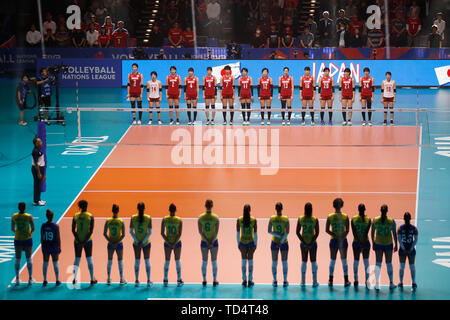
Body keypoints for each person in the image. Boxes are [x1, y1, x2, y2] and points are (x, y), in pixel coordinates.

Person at [371, 204, 398, 290]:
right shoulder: (391, 221)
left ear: (380, 210)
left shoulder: (375, 220)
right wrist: (396, 244)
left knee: (378, 263)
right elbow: (394, 234)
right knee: (389, 263)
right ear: (387, 211)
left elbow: (372, 233)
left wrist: (373, 243)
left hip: (378, 243)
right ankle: (391, 283)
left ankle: (377, 284)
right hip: (388, 244)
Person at [325, 198, 351, 287]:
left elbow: (327, 230)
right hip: (343, 241)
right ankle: (346, 280)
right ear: (342, 205)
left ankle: (330, 280)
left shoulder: (330, 216)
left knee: (332, 260)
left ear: (334, 205)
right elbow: (347, 230)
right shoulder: (345, 216)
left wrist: (335, 236)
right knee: (344, 260)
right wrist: (341, 237)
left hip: (333, 240)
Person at [72, 200, 97, 285]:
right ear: (86, 206)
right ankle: (92, 279)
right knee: (89, 259)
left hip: (77, 241)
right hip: (88, 241)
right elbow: (91, 231)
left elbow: (73, 230)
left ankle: (74, 279)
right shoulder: (90, 216)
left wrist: (79, 240)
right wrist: (85, 240)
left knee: (77, 259)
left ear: (80, 206)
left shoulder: (75, 216)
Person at [296, 202, 319, 287]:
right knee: (313, 261)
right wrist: (311, 242)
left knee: (304, 261)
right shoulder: (315, 219)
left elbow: (297, 232)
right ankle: (314, 282)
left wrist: (304, 242)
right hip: (313, 244)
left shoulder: (300, 219)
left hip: (303, 244)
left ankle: (302, 282)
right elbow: (317, 233)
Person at [12, 202, 35, 286]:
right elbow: (33, 228)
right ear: (25, 208)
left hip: (18, 239)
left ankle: (17, 279)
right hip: (27, 239)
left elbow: (12, 228)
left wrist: (18, 233)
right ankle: (30, 279)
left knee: (18, 258)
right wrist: (28, 233)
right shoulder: (29, 216)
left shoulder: (14, 216)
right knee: (28, 258)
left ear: (18, 208)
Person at [198, 199, 220, 287]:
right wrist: (211, 242)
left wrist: (207, 241)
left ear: (205, 206)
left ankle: (204, 280)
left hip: (204, 242)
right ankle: (214, 280)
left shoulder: (200, 217)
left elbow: (200, 231)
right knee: (214, 261)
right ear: (212, 206)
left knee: (204, 261)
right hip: (214, 242)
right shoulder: (216, 217)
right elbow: (216, 232)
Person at [130, 202, 152, 287]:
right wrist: (143, 242)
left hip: (136, 244)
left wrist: (138, 242)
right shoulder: (148, 218)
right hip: (146, 243)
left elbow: (131, 232)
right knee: (147, 260)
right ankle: (149, 280)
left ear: (137, 208)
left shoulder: (133, 218)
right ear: (144, 208)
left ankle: (136, 280)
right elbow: (150, 232)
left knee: (137, 261)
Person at [161, 203, 184, 287]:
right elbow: (180, 233)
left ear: (169, 210)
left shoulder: (165, 219)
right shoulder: (179, 220)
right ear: (175, 210)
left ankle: (165, 280)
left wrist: (169, 242)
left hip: (167, 243)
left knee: (167, 260)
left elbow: (162, 233)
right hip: (177, 243)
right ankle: (178, 280)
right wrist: (174, 243)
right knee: (177, 260)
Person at [103, 204, 126, 285]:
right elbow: (123, 235)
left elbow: (104, 233)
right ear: (118, 210)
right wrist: (116, 242)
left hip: (110, 244)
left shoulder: (108, 220)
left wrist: (111, 242)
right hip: (119, 244)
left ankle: (108, 279)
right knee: (120, 260)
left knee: (109, 260)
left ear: (112, 211)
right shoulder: (121, 221)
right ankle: (121, 279)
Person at [268, 202, 289, 287]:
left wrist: (277, 236)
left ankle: (275, 280)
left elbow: (269, 231)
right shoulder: (285, 218)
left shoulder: (272, 218)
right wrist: (281, 241)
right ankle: (285, 281)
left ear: (275, 209)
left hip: (274, 242)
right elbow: (287, 232)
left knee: (274, 262)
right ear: (282, 208)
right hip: (284, 243)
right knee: (284, 262)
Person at [351, 204, 371, 288]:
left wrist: (359, 242)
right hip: (365, 242)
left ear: (358, 210)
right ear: (364, 210)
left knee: (356, 261)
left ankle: (356, 280)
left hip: (356, 242)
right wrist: (362, 243)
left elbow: (354, 233)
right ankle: (367, 281)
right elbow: (366, 232)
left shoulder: (353, 219)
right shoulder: (368, 219)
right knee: (366, 262)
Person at [237, 204, 257, 287]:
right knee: (250, 261)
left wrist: (238, 243)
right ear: (250, 210)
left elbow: (238, 233)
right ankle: (250, 280)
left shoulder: (239, 220)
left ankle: (244, 280)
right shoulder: (253, 220)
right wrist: (256, 244)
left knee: (244, 261)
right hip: (251, 243)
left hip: (242, 242)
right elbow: (255, 233)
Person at [397, 212, 418, 291]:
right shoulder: (414, 228)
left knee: (402, 266)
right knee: (412, 266)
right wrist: (411, 248)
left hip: (402, 251)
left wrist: (403, 248)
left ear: (403, 219)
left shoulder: (400, 228)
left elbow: (399, 240)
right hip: (411, 250)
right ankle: (413, 283)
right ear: (410, 219)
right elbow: (415, 240)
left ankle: (401, 283)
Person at [41, 209, 61, 286]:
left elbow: (42, 237)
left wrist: (42, 246)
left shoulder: (43, 226)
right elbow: (58, 238)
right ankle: (57, 280)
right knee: (55, 263)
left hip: (46, 246)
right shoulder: (55, 226)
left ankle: (45, 280)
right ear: (52, 216)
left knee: (45, 263)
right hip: (54, 246)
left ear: (46, 216)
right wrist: (59, 247)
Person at [31, 137, 46, 206]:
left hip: (40, 168)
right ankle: (36, 201)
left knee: (39, 185)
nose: (41, 142)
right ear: (36, 143)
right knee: (37, 185)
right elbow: (36, 163)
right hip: (37, 169)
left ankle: (38, 199)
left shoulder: (38, 150)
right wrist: (39, 173)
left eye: (40, 140)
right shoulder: (35, 151)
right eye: (39, 141)